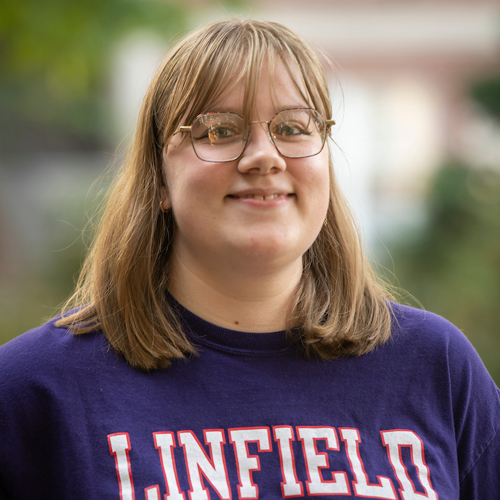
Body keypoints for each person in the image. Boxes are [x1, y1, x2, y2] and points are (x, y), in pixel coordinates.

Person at [0, 18, 498, 500]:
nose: (265, 156)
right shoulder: (32, 391)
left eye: (293, 127)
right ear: (158, 177)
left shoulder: (437, 367)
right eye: (218, 130)